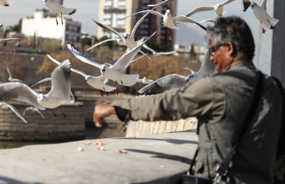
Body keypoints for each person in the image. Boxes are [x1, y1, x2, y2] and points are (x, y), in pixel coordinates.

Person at [93, 16, 284, 183]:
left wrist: (116, 108)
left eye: (214, 50)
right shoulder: (274, 87)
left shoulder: (217, 87)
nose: (211, 58)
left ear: (229, 48)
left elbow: (167, 104)